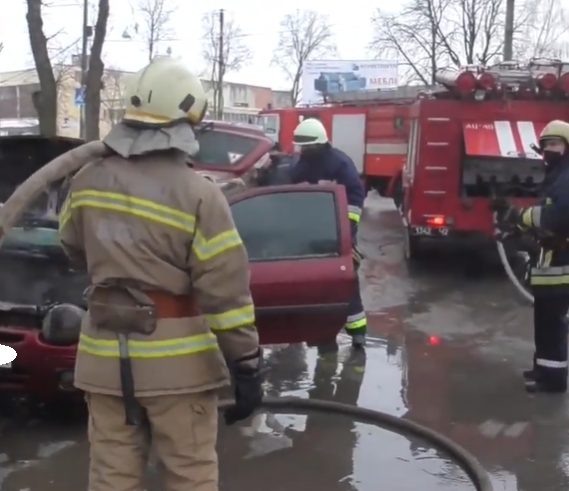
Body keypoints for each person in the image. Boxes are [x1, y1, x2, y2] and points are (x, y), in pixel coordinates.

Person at [57, 56, 264, 491]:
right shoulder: (198, 194)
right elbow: (225, 295)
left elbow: (72, 250)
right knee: (190, 477)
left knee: (111, 479)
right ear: (187, 120)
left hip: (104, 363)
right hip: (179, 371)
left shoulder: (85, 179)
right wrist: (245, 363)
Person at [493, 121, 569, 394]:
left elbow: (560, 218)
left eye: (554, 144)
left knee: (553, 321)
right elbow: (543, 215)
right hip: (552, 257)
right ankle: (544, 369)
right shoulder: (560, 175)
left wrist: (517, 216)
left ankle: (553, 380)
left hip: (563, 259)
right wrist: (515, 230)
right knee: (545, 319)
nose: (548, 150)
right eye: (545, 145)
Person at [290, 118, 368, 347]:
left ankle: (358, 332)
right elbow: (290, 190)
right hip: (311, 232)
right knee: (317, 283)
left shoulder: (340, 164)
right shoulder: (302, 165)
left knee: (347, 281)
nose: (304, 150)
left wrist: (346, 227)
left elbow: (355, 197)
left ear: (320, 144)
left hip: (339, 232)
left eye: (308, 146)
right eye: (302, 147)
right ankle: (324, 334)